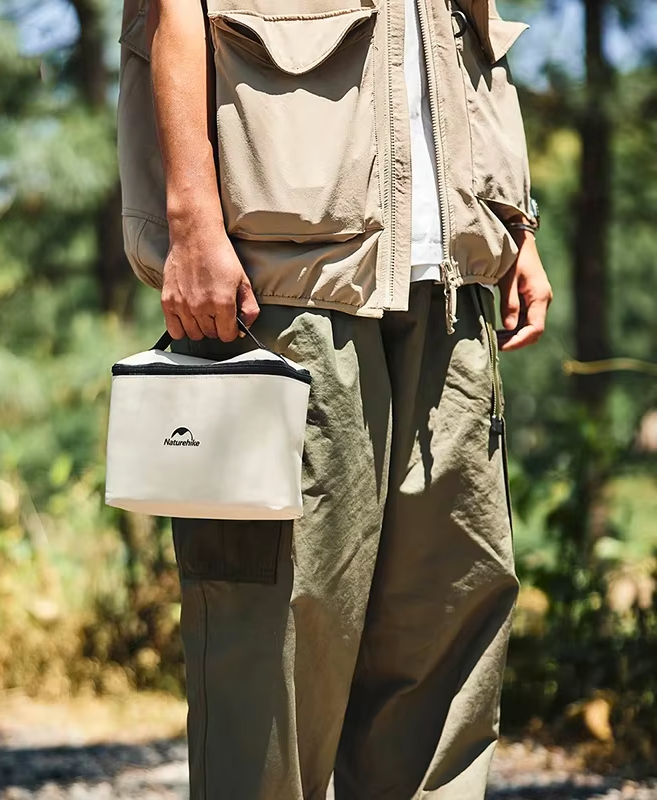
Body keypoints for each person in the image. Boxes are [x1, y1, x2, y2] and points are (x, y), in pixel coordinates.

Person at [117, 0, 553, 796]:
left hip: (452, 291)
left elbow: (465, 42)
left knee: (445, 631)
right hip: (285, 284)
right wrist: (191, 220)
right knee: (278, 643)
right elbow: (170, 14)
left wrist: (513, 223)